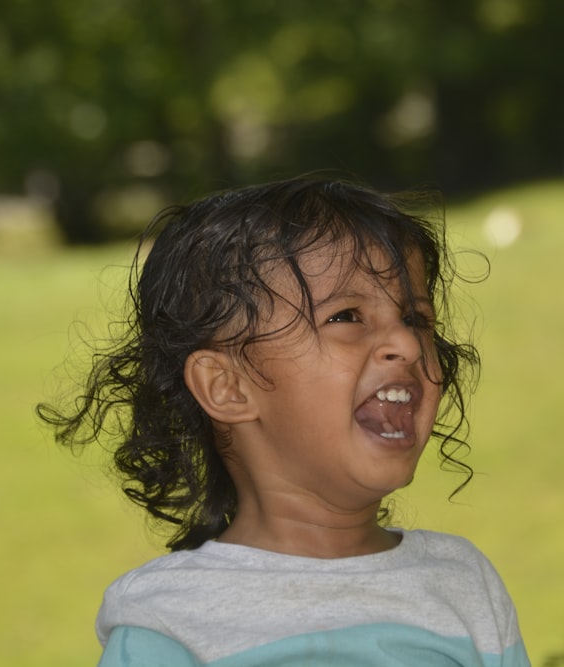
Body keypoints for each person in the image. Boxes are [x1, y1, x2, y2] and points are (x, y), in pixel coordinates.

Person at [38, 175, 531, 666]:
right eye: (346, 316)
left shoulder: (462, 585)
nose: (405, 344)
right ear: (227, 387)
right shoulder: (172, 622)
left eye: (415, 319)